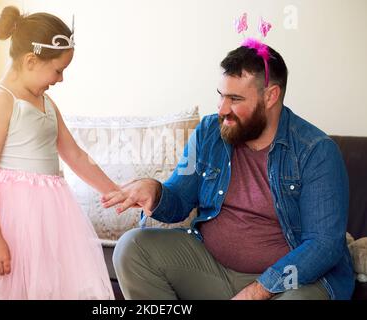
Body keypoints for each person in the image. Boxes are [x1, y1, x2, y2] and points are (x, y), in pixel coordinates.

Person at [103, 38, 355, 300]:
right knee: (132, 248)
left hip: (290, 284)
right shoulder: (209, 132)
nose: (222, 109)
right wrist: (155, 192)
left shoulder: (315, 150)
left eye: (235, 99)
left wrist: (259, 290)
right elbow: (179, 199)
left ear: (270, 96)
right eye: (221, 95)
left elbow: (324, 244)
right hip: (212, 270)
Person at [0, 6, 117, 300]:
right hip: (10, 217)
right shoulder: (0, 102)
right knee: (9, 287)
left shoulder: (47, 104)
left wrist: (115, 191)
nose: (61, 80)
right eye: (58, 70)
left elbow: (75, 155)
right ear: (31, 60)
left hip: (49, 216)